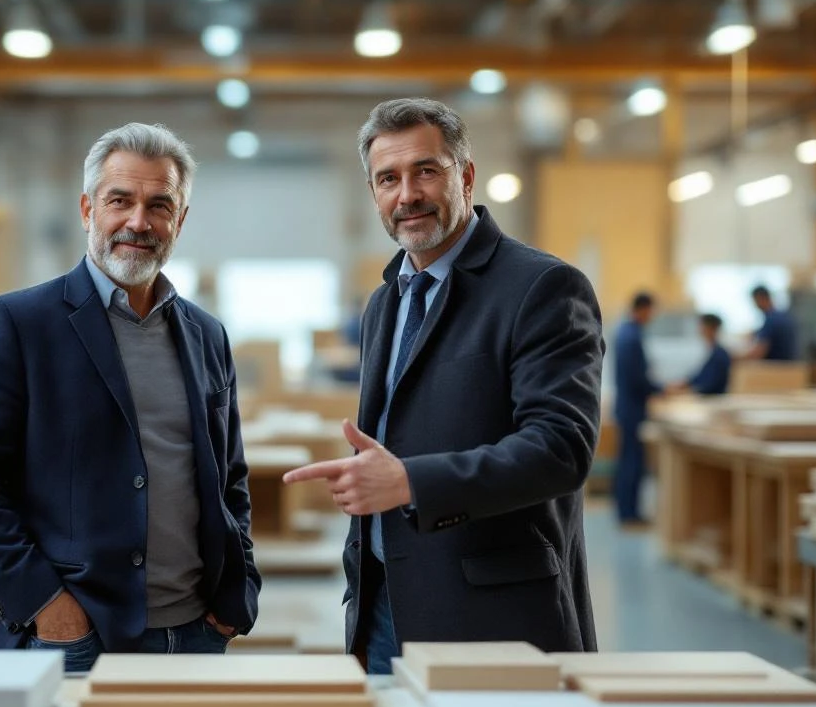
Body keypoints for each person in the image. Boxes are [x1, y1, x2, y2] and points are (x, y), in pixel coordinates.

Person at [282, 98, 603, 674]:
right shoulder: (385, 302)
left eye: (426, 171)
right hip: (384, 608)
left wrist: (410, 482)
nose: (407, 194)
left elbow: (562, 448)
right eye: (388, 179)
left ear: (466, 176)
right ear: (373, 192)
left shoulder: (542, 287)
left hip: (492, 616)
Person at [0, 122, 260, 672]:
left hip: (197, 633)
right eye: (120, 201)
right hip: (73, 637)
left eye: (159, 205)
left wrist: (238, 591)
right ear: (88, 209)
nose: (139, 222)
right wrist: (47, 606)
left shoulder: (206, 334)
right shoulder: (21, 323)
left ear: (179, 221)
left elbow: (229, 477)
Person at [612, 292, 661, 528]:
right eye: (651, 311)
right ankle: (629, 513)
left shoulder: (625, 332)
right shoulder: (632, 337)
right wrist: (660, 389)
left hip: (627, 406)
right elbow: (638, 379)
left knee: (627, 460)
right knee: (632, 462)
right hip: (633, 409)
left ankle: (627, 511)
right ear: (643, 309)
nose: (652, 316)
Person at [672, 313, 731, 395]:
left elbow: (710, 385)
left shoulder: (719, 354)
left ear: (711, 328)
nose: (699, 329)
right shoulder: (712, 351)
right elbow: (701, 377)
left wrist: (689, 390)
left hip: (713, 398)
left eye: (701, 326)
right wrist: (685, 383)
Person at [744, 285, 799, 361]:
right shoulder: (783, 316)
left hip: (777, 366)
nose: (755, 305)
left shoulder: (771, 320)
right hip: (791, 363)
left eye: (755, 301)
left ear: (760, 299)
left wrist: (736, 358)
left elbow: (759, 352)